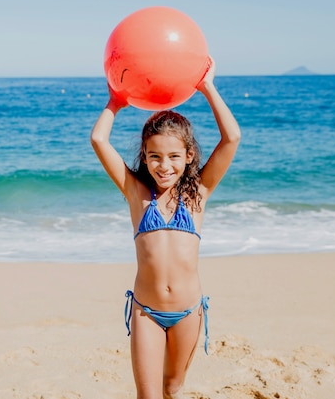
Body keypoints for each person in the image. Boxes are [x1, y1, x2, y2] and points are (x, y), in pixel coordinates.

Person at [90, 57, 240, 399]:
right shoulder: (136, 194)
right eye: (154, 156)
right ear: (144, 155)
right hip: (146, 312)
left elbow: (231, 138)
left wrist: (207, 87)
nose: (164, 165)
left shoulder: (198, 194)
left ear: (189, 156)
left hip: (189, 312)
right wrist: (115, 102)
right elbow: (99, 140)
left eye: (174, 156)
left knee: (173, 388)